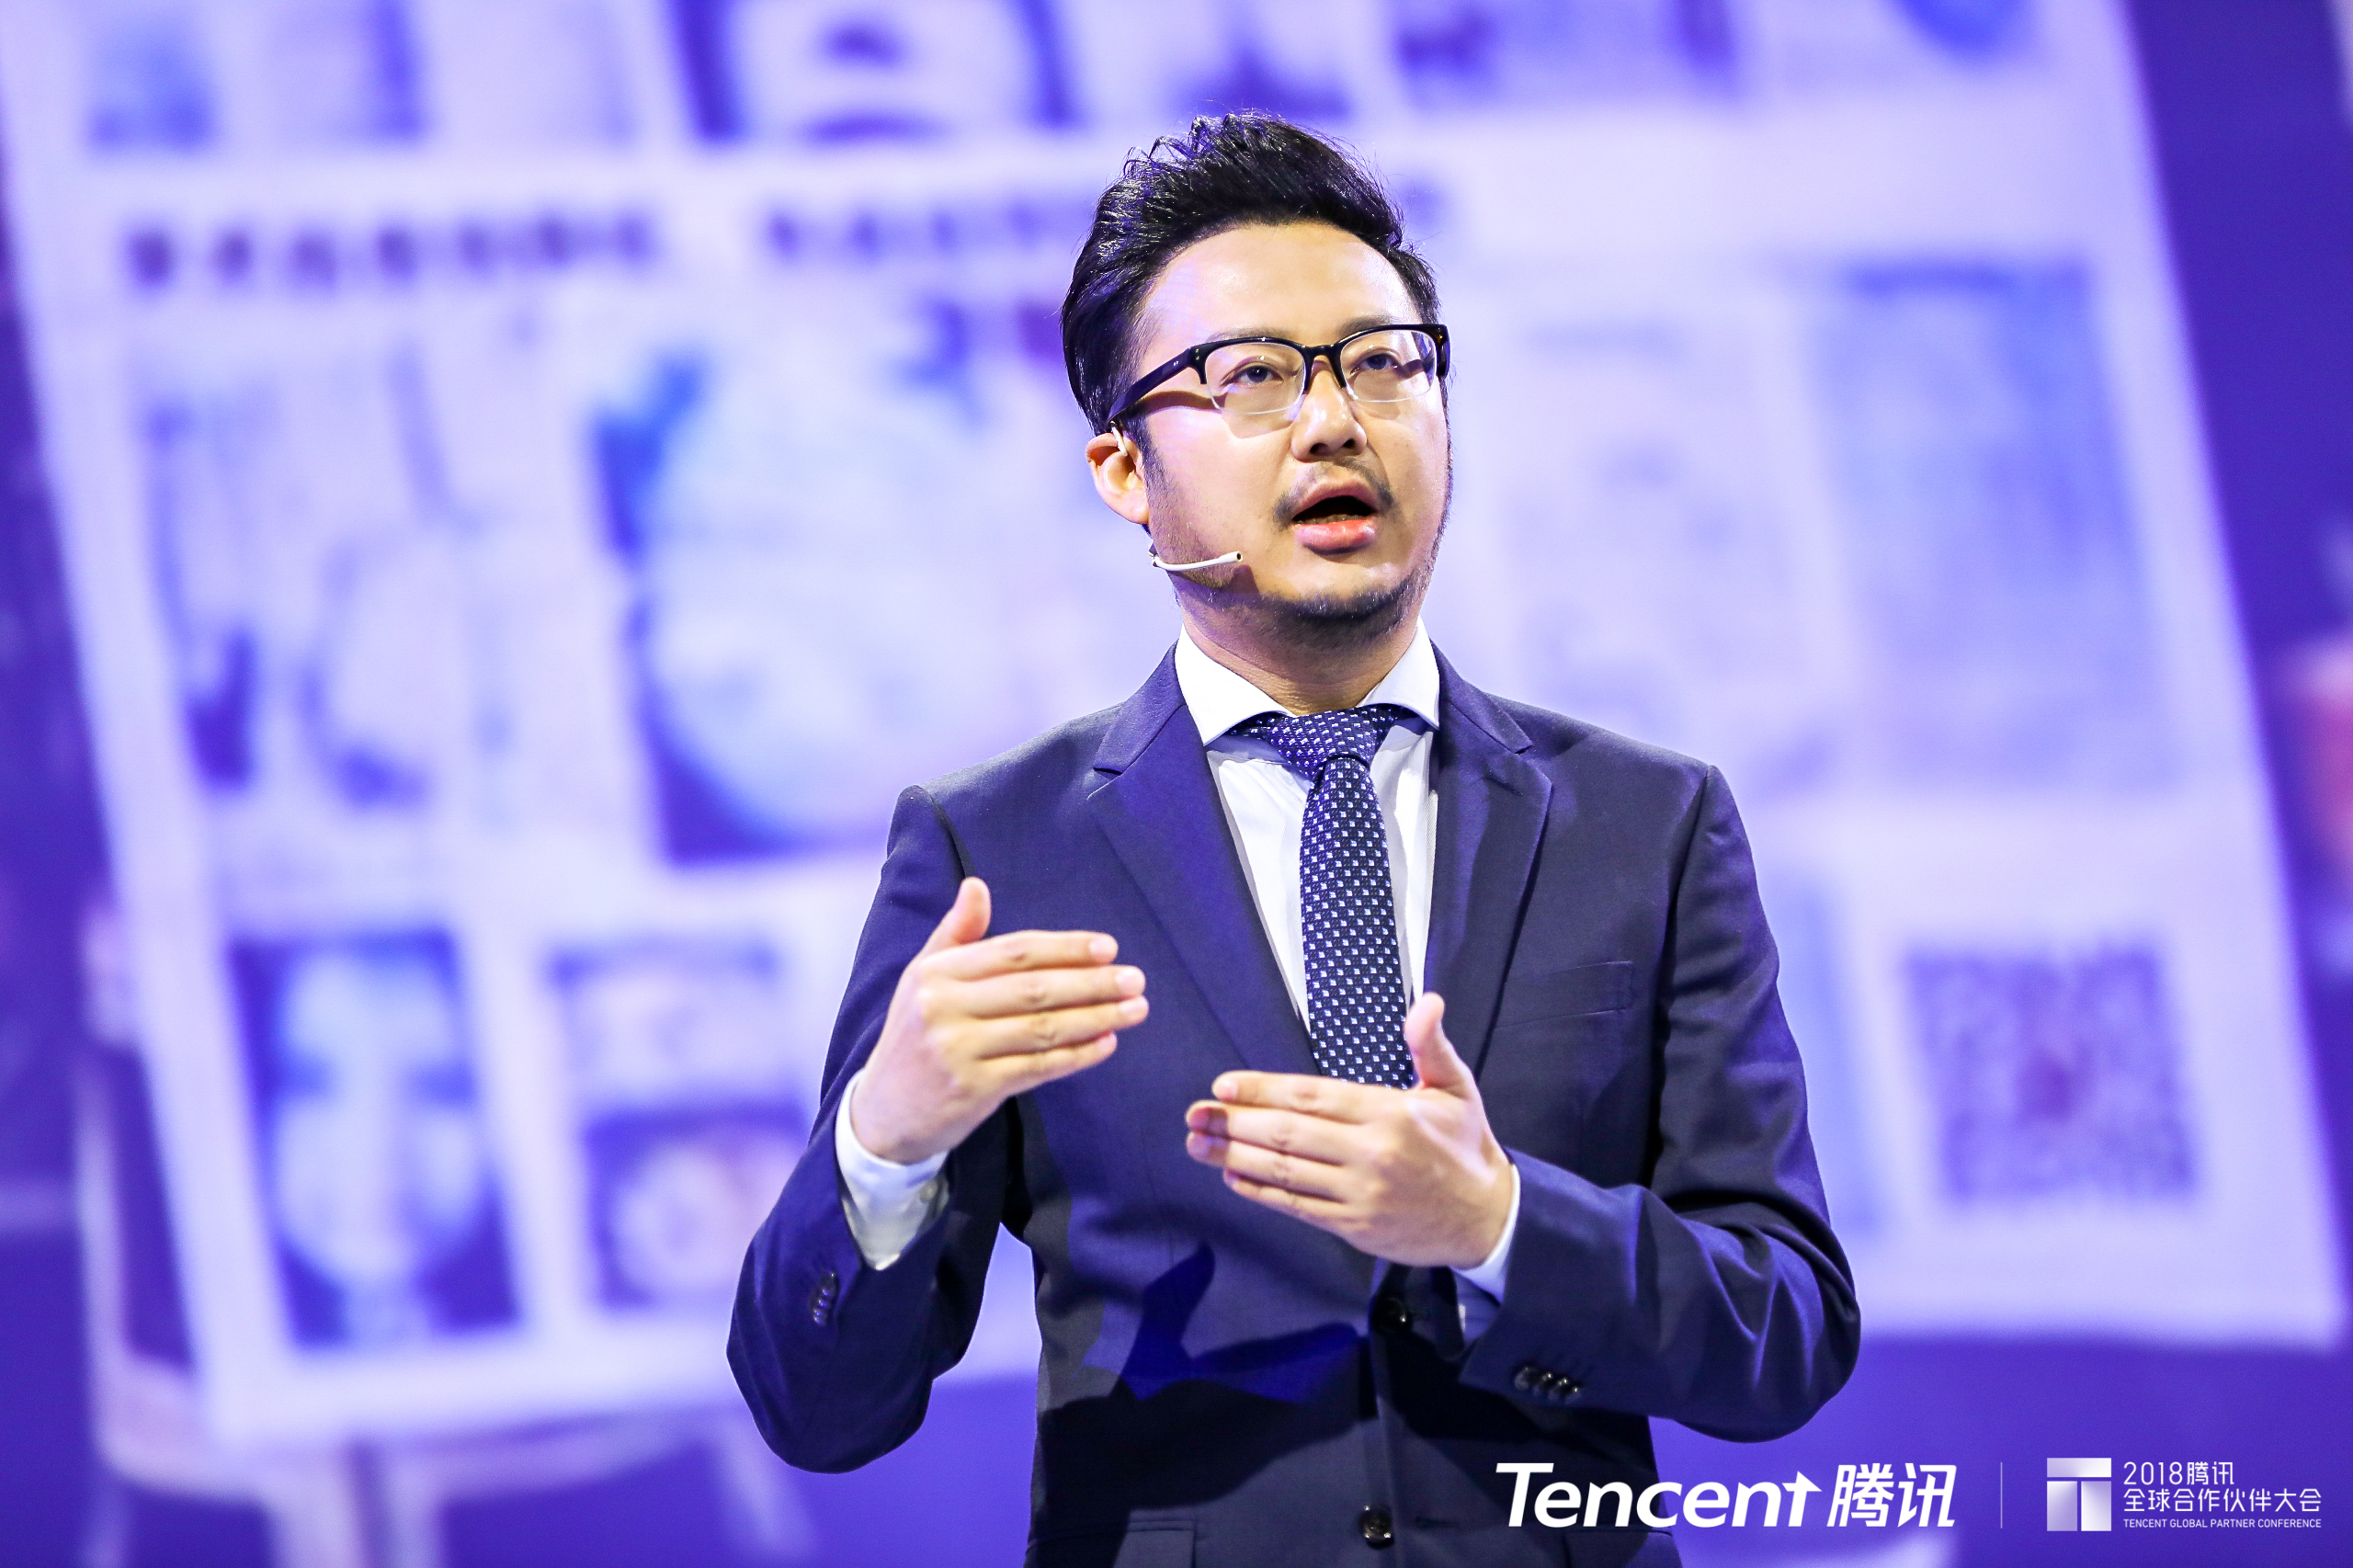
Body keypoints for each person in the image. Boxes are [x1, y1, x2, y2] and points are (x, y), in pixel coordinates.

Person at [730, 113, 1858, 1568]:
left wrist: (1499, 1222)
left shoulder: (1647, 822)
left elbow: (1784, 1329)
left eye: (1385, 363)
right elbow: (819, 1411)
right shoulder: (994, 849)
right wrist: (884, 1141)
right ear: (1124, 469)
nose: (1334, 420)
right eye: (1252, 375)